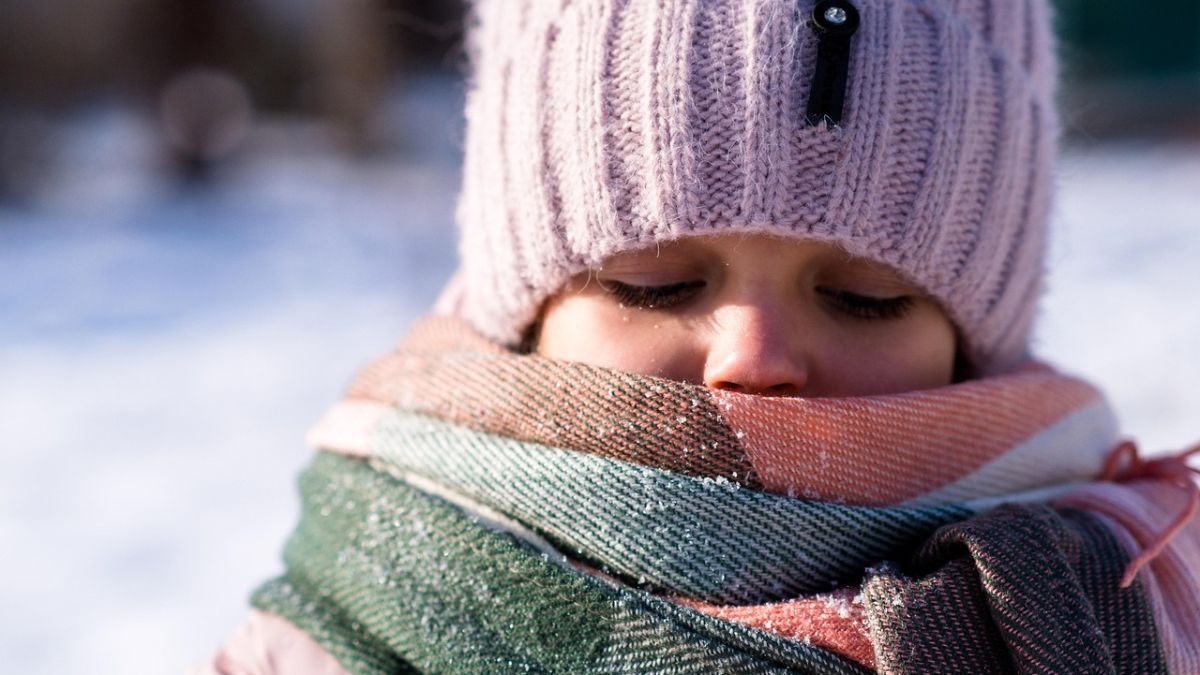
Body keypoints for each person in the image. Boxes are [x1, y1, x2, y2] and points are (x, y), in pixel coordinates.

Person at [197, 0, 1200, 672]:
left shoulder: (1129, 602)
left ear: (975, 342)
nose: (751, 357)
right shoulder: (340, 632)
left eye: (864, 296)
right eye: (655, 283)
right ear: (528, 315)